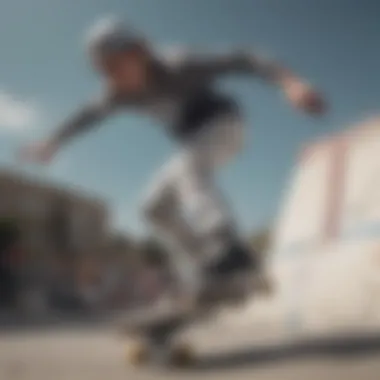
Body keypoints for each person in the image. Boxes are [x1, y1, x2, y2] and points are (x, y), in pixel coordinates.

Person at [18, 17, 326, 306]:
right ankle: (205, 270)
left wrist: (290, 84)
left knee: (187, 169)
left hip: (224, 125)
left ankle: (228, 248)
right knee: (152, 207)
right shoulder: (116, 94)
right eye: (104, 71)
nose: (112, 78)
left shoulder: (180, 64)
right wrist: (53, 141)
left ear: (140, 51)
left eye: (116, 66)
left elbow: (244, 58)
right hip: (193, 142)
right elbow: (86, 116)